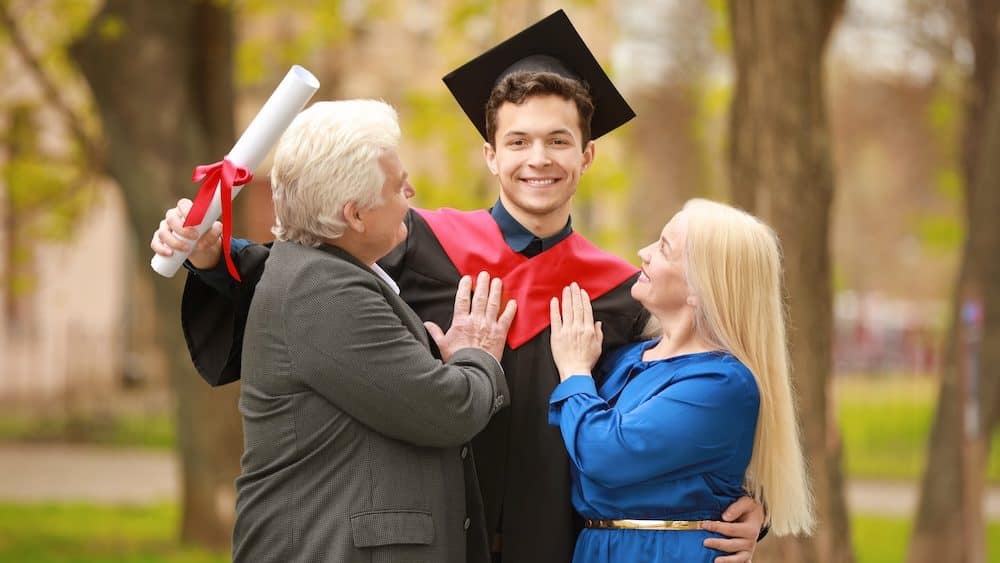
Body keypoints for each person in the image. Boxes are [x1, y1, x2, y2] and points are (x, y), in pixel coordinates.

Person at [151, 10, 765, 563]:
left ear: (588, 156)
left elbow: (696, 400)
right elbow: (302, 279)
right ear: (490, 156)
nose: (538, 159)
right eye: (518, 141)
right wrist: (213, 255)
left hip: (559, 540)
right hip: (436, 536)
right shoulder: (416, 245)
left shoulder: (618, 294)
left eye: (559, 141)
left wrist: (752, 512)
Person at [229, 99, 515, 562]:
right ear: (355, 214)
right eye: (399, 187)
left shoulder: (321, 273)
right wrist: (476, 354)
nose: (412, 193)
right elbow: (447, 409)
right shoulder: (322, 292)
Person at [548, 199, 815, 562]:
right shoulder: (623, 358)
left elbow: (605, 455)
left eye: (663, 247)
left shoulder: (722, 384)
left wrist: (575, 371)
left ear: (700, 287)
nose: (643, 252)